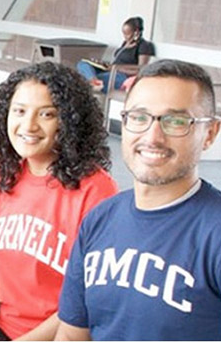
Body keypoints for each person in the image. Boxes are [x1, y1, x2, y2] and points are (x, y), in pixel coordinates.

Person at [57, 60, 221, 340]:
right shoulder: (101, 219)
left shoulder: (214, 233)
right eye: (139, 117)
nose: (153, 136)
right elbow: (73, 334)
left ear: (209, 133)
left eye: (177, 121)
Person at [0, 62, 118, 341]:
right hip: (6, 329)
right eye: (19, 111)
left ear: (69, 120)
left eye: (46, 114)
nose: (28, 125)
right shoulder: (2, 181)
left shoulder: (96, 191)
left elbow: (84, 304)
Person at [75, 16, 155, 94]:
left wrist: (116, 68)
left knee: (86, 79)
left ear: (136, 32)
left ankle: (93, 82)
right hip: (110, 70)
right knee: (82, 64)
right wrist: (103, 64)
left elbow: (141, 68)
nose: (125, 37)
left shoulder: (144, 46)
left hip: (122, 75)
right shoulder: (125, 43)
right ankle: (93, 80)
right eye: (124, 34)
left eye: (127, 34)